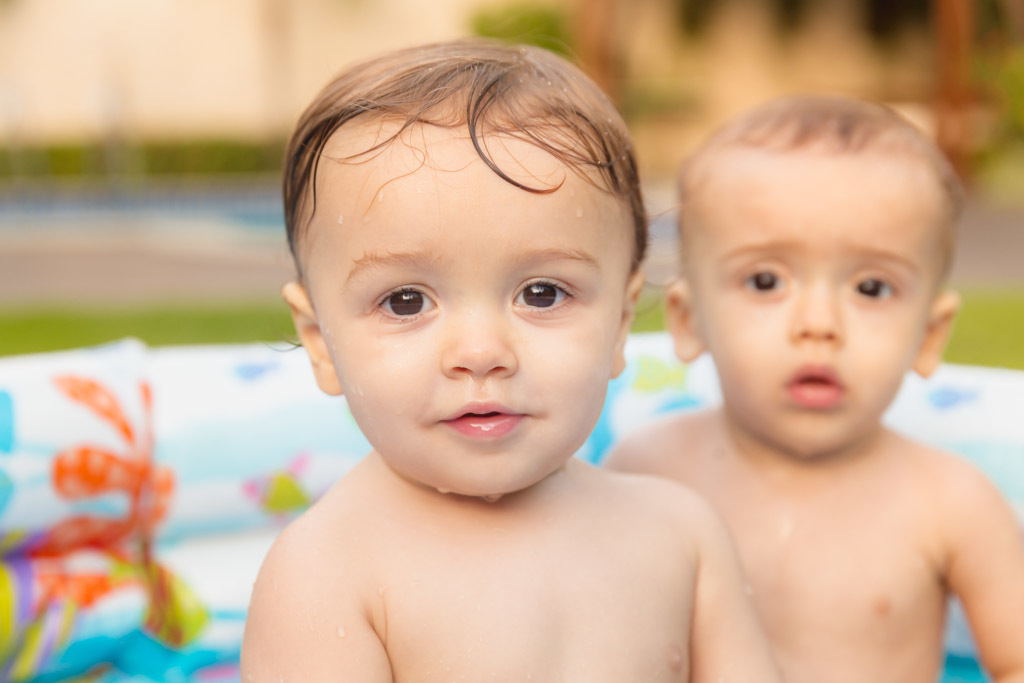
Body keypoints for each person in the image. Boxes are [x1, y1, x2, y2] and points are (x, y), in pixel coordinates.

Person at [240, 40, 778, 682]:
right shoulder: (325, 574)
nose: (481, 353)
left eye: (542, 293)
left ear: (621, 323)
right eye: (406, 301)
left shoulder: (681, 540)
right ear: (321, 342)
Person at [606, 95, 1024, 683]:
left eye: (872, 288)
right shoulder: (646, 470)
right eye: (766, 279)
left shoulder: (951, 503)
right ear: (687, 319)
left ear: (930, 336)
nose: (819, 323)